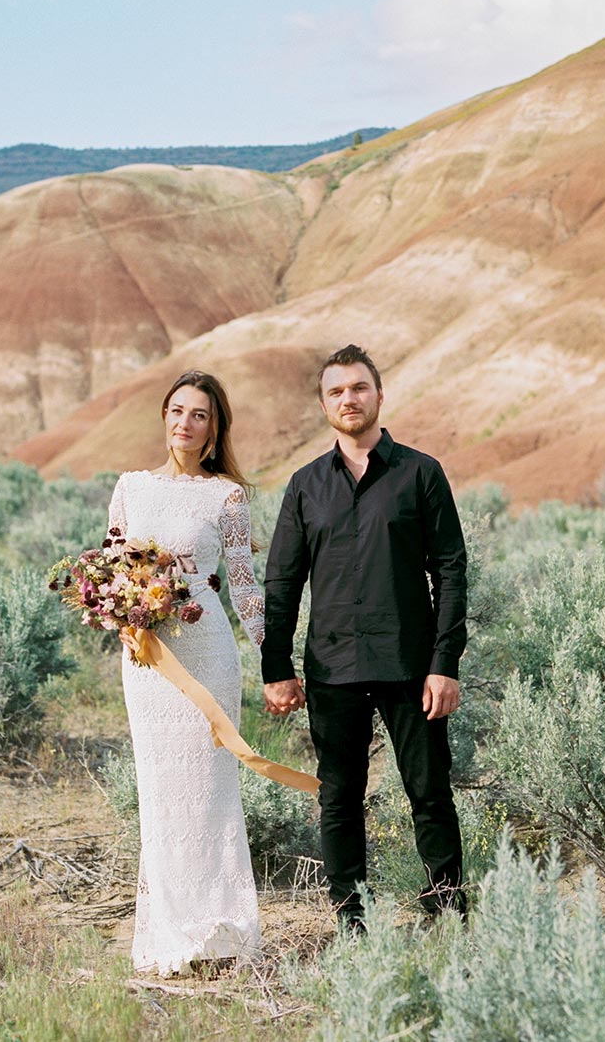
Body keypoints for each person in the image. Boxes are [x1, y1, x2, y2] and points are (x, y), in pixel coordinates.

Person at [262, 344, 468, 930]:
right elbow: (282, 580)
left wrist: (444, 663)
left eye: (358, 388)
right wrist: (275, 667)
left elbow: (450, 570)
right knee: (339, 799)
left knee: (429, 794)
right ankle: (353, 922)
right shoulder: (305, 485)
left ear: (379, 395)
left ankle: (448, 916)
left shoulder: (421, 474)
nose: (348, 399)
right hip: (332, 668)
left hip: (411, 665)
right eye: (336, 391)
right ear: (323, 404)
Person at [106, 370, 265, 975]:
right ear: (163, 416)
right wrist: (116, 611)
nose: (185, 423)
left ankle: (221, 932)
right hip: (148, 659)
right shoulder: (130, 487)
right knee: (161, 793)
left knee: (211, 790)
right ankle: (169, 934)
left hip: (207, 652)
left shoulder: (226, 496)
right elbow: (109, 566)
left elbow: (245, 586)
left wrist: (276, 661)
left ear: (214, 426)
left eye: (199, 414)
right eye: (177, 411)